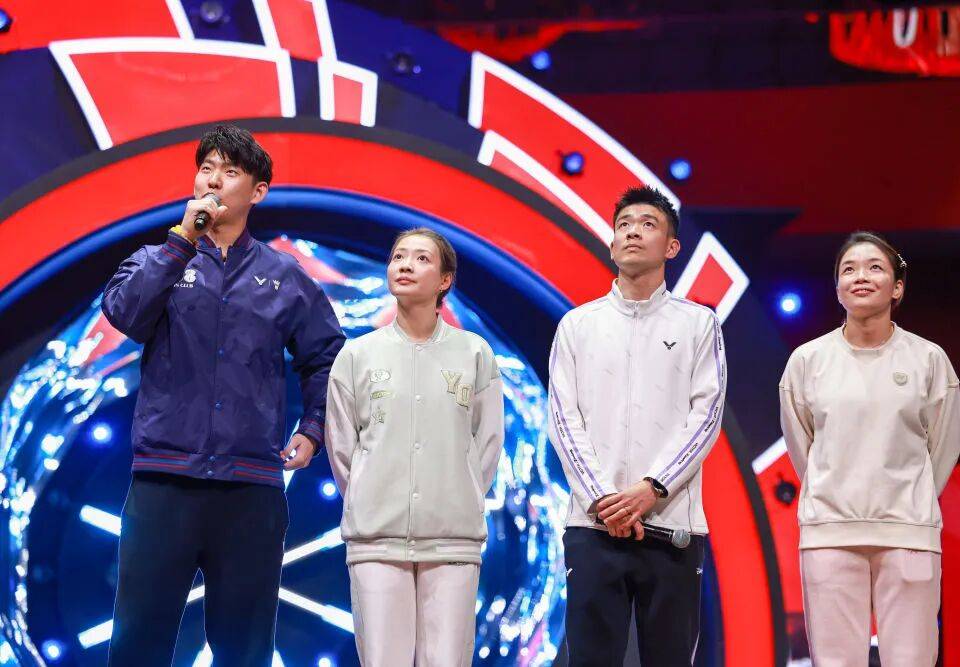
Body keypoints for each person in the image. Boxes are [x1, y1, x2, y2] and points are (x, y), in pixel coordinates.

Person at [101, 124, 345, 666]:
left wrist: (312, 429)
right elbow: (125, 316)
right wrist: (179, 245)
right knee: (137, 643)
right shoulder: (158, 257)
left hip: (250, 489)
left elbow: (328, 356)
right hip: (164, 483)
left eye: (230, 172)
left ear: (258, 191)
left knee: (245, 649)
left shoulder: (285, 276)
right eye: (206, 169)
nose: (213, 181)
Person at [548, 185, 726, 666]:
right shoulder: (577, 325)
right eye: (624, 225)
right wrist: (604, 500)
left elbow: (706, 415)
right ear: (612, 244)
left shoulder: (698, 324)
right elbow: (563, 419)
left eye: (648, 224)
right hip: (592, 525)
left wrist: (653, 488)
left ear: (671, 247)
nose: (632, 232)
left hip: (672, 526)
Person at [779, 231, 960, 667]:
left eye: (874, 267)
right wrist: (833, 492)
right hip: (829, 532)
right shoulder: (807, 361)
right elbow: (802, 446)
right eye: (849, 269)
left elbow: (945, 442)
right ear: (837, 288)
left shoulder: (928, 359)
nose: (860, 276)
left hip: (908, 531)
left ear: (897, 287)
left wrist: (913, 500)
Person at [325, 227, 504, 666]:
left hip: (453, 540)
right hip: (376, 540)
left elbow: (487, 442)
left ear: (445, 280)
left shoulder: (474, 352)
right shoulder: (357, 355)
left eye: (422, 258)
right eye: (398, 256)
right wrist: (371, 496)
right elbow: (342, 447)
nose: (405, 265)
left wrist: (459, 495)